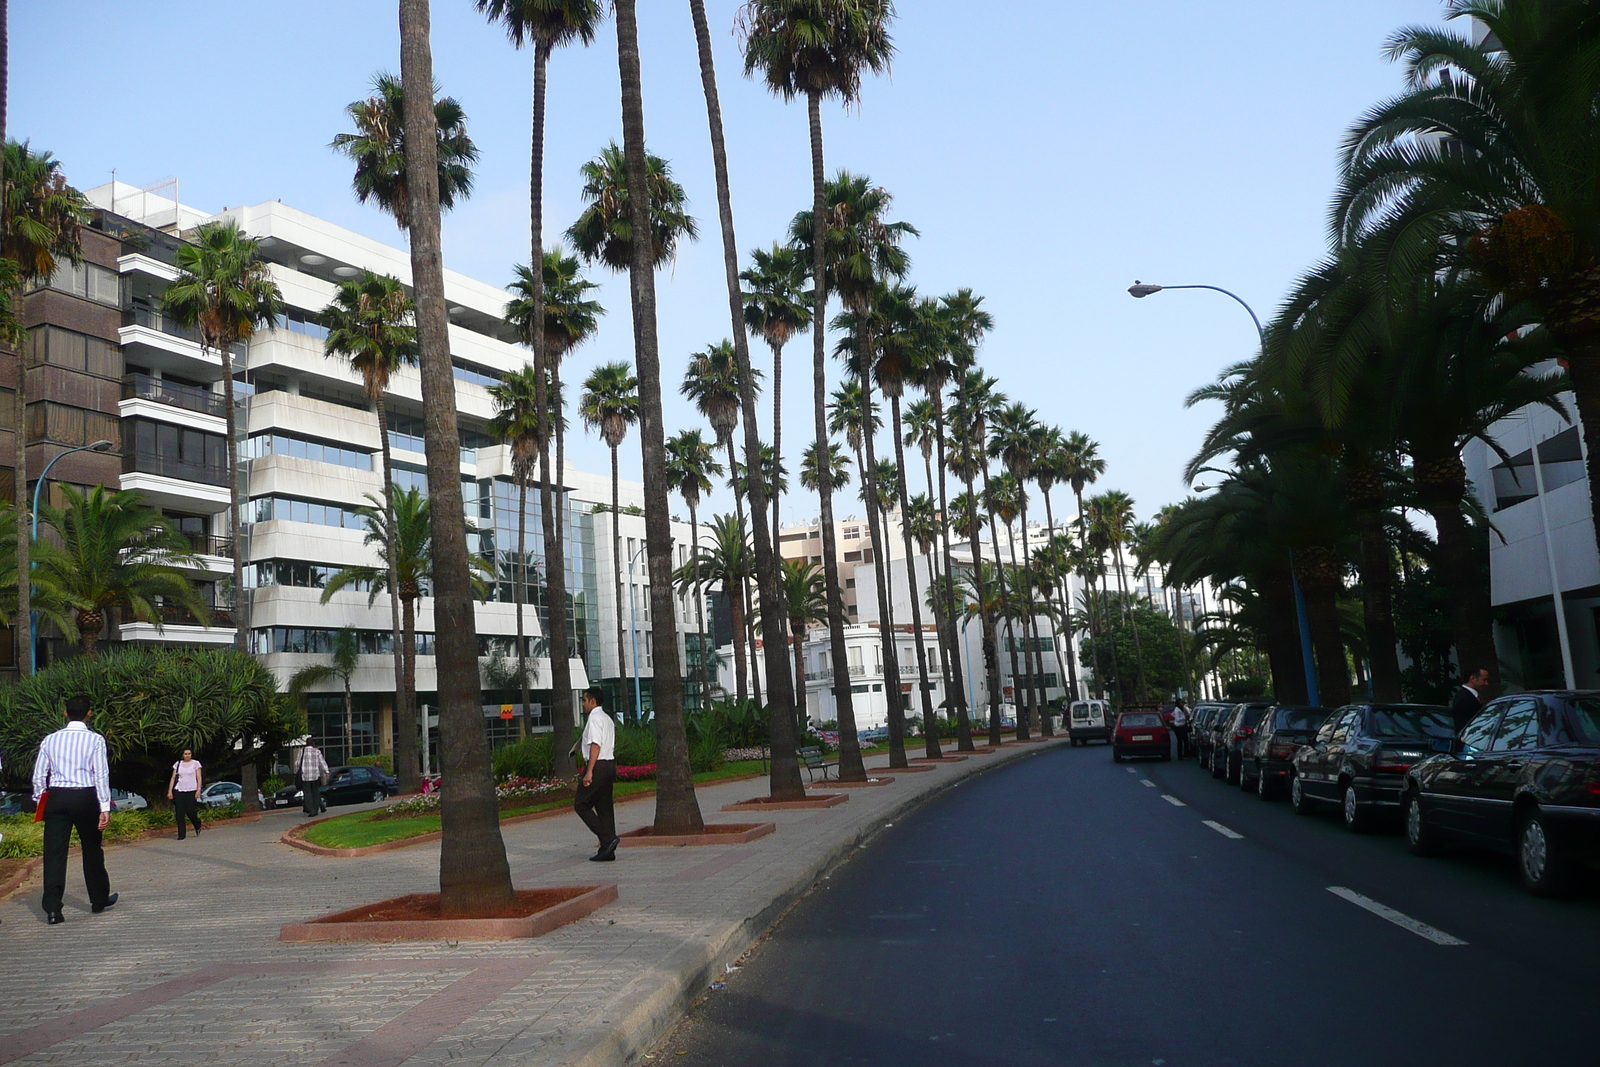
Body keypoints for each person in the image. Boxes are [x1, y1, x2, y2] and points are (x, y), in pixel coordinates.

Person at [33, 695, 117, 924]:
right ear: (89, 714)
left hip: (57, 797)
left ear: (65, 713)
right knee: (91, 849)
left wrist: (41, 798)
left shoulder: (50, 740)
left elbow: (39, 774)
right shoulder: (95, 740)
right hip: (85, 795)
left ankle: (52, 909)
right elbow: (100, 774)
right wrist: (104, 805)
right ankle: (98, 899)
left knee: (54, 853)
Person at [573, 686, 618, 862]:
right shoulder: (606, 718)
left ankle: (608, 839)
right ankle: (608, 850)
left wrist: (589, 771)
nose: (583, 704)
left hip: (598, 766)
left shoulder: (594, 718)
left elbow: (595, 745)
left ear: (592, 700)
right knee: (604, 808)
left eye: (584, 700)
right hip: (609, 765)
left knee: (581, 804)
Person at [167, 748, 204, 839]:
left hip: (191, 790)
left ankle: (197, 824)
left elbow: (199, 777)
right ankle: (181, 834)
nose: (187, 755)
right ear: (182, 755)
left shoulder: (195, 763)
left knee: (190, 811)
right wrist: (170, 791)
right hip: (179, 790)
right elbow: (173, 778)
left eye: (189, 753)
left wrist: (198, 790)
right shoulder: (178, 764)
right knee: (179, 813)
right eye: (185, 754)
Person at [1451, 667, 1490, 732]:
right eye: (1484, 680)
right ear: (1473, 679)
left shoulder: (1466, 696)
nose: (1486, 683)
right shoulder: (1464, 699)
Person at [296, 742, 329, 816]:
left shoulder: (302, 751)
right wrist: (326, 772)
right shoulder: (317, 752)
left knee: (307, 794)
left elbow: (297, 764)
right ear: (312, 743)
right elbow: (322, 763)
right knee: (315, 792)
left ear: (306, 743)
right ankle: (316, 809)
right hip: (315, 776)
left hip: (305, 776)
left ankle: (311, 810)